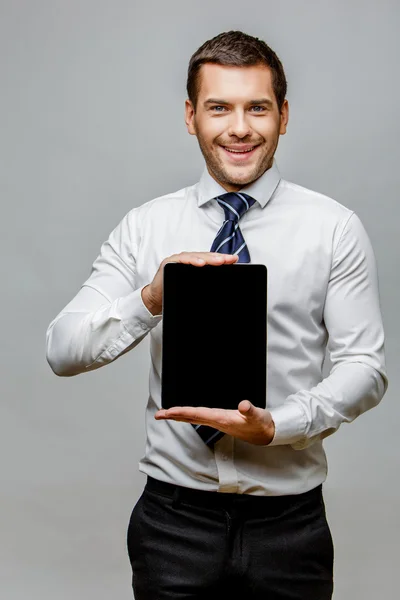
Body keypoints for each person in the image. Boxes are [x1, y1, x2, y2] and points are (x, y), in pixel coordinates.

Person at [46, 30, 388, 600]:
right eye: (218, 107)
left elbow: (366, 368)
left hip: (291, 526)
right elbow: (62, 349)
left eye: (257, 107)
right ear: (190, 116)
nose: (239, 127)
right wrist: (153, 297)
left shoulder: (334, 228)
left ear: (283, 114)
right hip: (172, 523)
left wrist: (279, 425)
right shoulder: (144, 227)